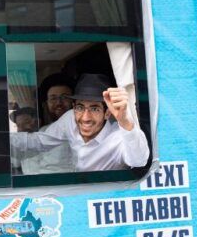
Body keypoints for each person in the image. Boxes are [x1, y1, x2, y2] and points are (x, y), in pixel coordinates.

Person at [11, 73, 150, 172]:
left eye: (94, 109)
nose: (85, 117)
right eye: (80, 107)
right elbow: (39, 141)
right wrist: (1, 140)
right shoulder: (70, 118)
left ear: (107, 113)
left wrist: (125, 120)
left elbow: (139, 160)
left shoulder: (118, 137)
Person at [19, 73, 76, 175]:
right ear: (46, 104)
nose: (59, 103)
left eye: (65, 97)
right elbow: (28, 166)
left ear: (74, 101)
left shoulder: (85, 129)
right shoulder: (43, 130)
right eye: (53, 98)